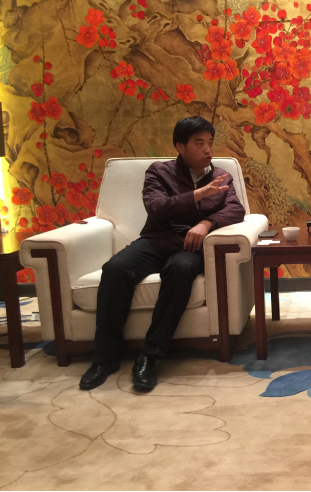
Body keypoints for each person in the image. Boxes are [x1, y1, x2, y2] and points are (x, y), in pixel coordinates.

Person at [79, 116, 246, 391]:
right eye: (199, 143)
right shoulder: (159, 171)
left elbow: (236, 209)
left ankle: (150, 356)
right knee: (115, 269)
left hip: (190, 247)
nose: (208, 150)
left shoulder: (221, 176)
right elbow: (156, 208)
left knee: (180, 269)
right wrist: (198, 194)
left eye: (210, 142)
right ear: (181, 146)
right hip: (156, 240)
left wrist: (207, 223)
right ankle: (105, 358)